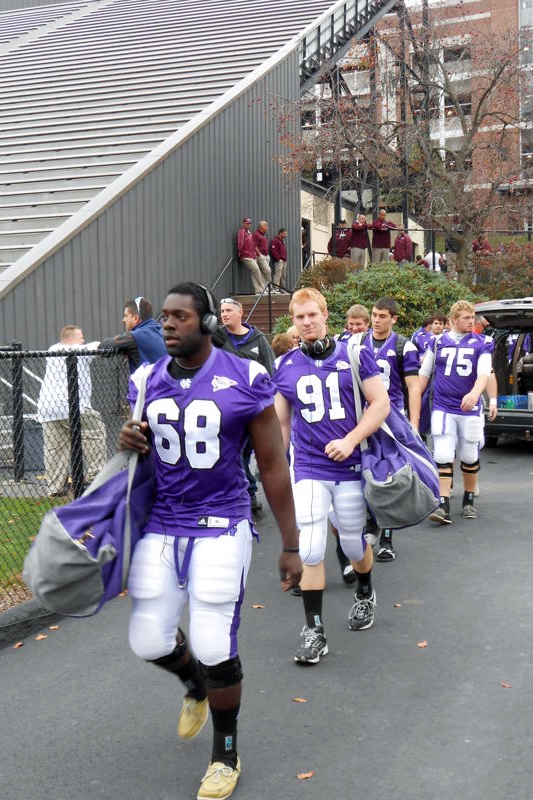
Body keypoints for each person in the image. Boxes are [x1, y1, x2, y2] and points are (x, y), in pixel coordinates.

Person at [119, 282, 302, 800]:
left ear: (205, 323)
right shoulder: (147, 379)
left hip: (222, 521)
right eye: (166, 318)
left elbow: (270, 464)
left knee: (214, 640)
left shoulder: (245, 376)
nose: (169, 325)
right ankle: (195, 686)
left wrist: (290, 543)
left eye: (180, 316)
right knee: (148, 639)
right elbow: (142, 448)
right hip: (164, 521)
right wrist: (128, 437)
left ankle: (225, 753)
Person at [273, 288, 390, 665]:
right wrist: (276, 470)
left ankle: (366, 591)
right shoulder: (286, 364)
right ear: (294, 320)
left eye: (312, 315)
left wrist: (352, 438)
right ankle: (315, 630)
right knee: (309, 546)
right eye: (299, 317)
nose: (306, 322)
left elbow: (381, 404)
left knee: (354, 544)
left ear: (325, 315)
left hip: (350, 467)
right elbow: (281, 423)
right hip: (308, 468)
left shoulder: (354, 354)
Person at [418, 299, 493, 523]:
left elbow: (483, 374)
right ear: (453, 320)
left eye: (473, 317)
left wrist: (474, 393)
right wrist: (413, 403)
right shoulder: (437, 342)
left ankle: (468, 499)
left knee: (470, 454)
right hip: (443, 405)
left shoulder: (483, 342)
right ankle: (443, 505)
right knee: (442, 453)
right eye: (466, 318)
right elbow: (424, 374)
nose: (472, 321)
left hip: (469, 409)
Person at [361, 297, 422, 561]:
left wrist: (414, 425)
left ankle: (387, 537)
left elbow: (414, 387)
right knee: (362, 472)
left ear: (394, 319)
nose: (376, 320)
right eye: (374, 314)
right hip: (361, 418)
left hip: (391, 419)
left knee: (390, 477)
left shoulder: (403, 345)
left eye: (383, 316)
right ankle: (370, 521)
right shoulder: (356, 343)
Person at [214, 297, 275, 514]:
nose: (224, 314)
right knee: (234, 452)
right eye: (222, 311)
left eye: (229, 310)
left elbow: (270, 372)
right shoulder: (218, 338)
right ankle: (247, 493)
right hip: (227, 408)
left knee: (251, 452)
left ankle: (251, 489)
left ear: (241, 313)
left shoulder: (258, 340)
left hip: (254, 407)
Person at [37, 325, 107, 496]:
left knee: (55, 449)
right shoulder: (78, 351)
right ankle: (96, 475)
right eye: (81, 337)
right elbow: (95, 346)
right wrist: (103, 343)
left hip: (47, 408)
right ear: (70, 340)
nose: (83, 340)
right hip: (73, 406)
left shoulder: (52, 350)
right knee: (95, 431)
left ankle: (55, 488)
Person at [98, 296, 167, 372]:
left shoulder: (134, 336)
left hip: (148, 383)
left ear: (135, 318)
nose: (123, 320)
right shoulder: (163, 332)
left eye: (126, 316)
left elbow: (102, 346)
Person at [237, 217, 267, 294]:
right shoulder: (242, 231)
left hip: (252, 255)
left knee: (254, 272)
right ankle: (263, 287)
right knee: (256, 269)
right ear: (243, 224)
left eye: (249, 223)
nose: (248, 225)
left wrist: (254, 253)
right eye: (247, 223)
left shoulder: (249, 233)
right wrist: (240, 253)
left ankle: (258, 290)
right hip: (246, 255)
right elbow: (240, 244)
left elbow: (252, 244)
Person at [252, 220, 272, 290]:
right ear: (262, 226)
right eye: (266, 226)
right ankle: (269, 288)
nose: (267, 227)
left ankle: (265, 289)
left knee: (264, 272)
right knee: (267, 270)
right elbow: (254, 245)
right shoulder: (256, 234)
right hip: (261, 256)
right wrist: (259, 254)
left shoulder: (263, 235)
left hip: (266, 255)